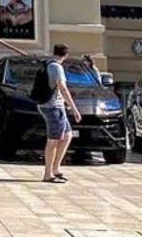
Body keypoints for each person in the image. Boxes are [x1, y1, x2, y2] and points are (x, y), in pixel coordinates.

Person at [39, 43, 81, 184]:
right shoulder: (57, 68)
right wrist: (74, 109)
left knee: (67, 135)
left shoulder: (48, 64)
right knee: (53, 140)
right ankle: (47, 174)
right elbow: (63, 89)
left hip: (56, 106)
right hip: (53, 107)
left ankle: (55, 169)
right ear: (66, 55)